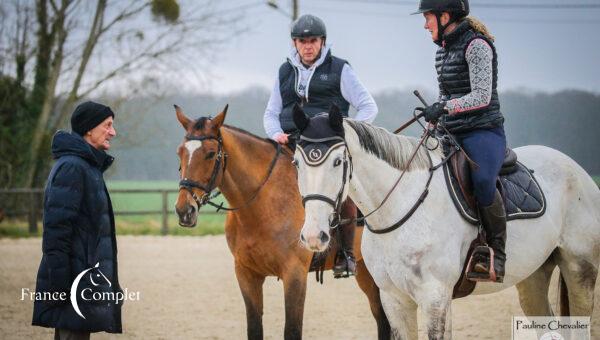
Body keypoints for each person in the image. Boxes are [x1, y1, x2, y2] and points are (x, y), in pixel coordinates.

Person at [263, 14, 378, 277]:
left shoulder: (340, 69)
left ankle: (346, 255)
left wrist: (349, 133)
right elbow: (271, 112)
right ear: (295, 43)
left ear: (322, 42)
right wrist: (275, 133)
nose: (307, 46)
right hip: (293, 142)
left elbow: (368, 106)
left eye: (312, 40)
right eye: (302, 41)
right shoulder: (284, 71)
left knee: (343, 188)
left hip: (329, 145)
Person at [413, 0, 507, 282]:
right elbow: (446, 95)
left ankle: (497, 254)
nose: (424, 24)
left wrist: (445, 107)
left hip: (483, 130)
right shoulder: (442, 52)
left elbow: (481, 96)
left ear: (445, 16)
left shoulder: (476, 45)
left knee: (482, 180)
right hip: (451, 131)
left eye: (428, 17)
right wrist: (434, 117)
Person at [32, 101, 122, 339]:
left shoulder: (87, 166)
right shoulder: (73, 167)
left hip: (84, 280)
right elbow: (56, 231)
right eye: (108, 125)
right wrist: (60, 285)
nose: (113, 132)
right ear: (89, 129)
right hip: (72, 283)